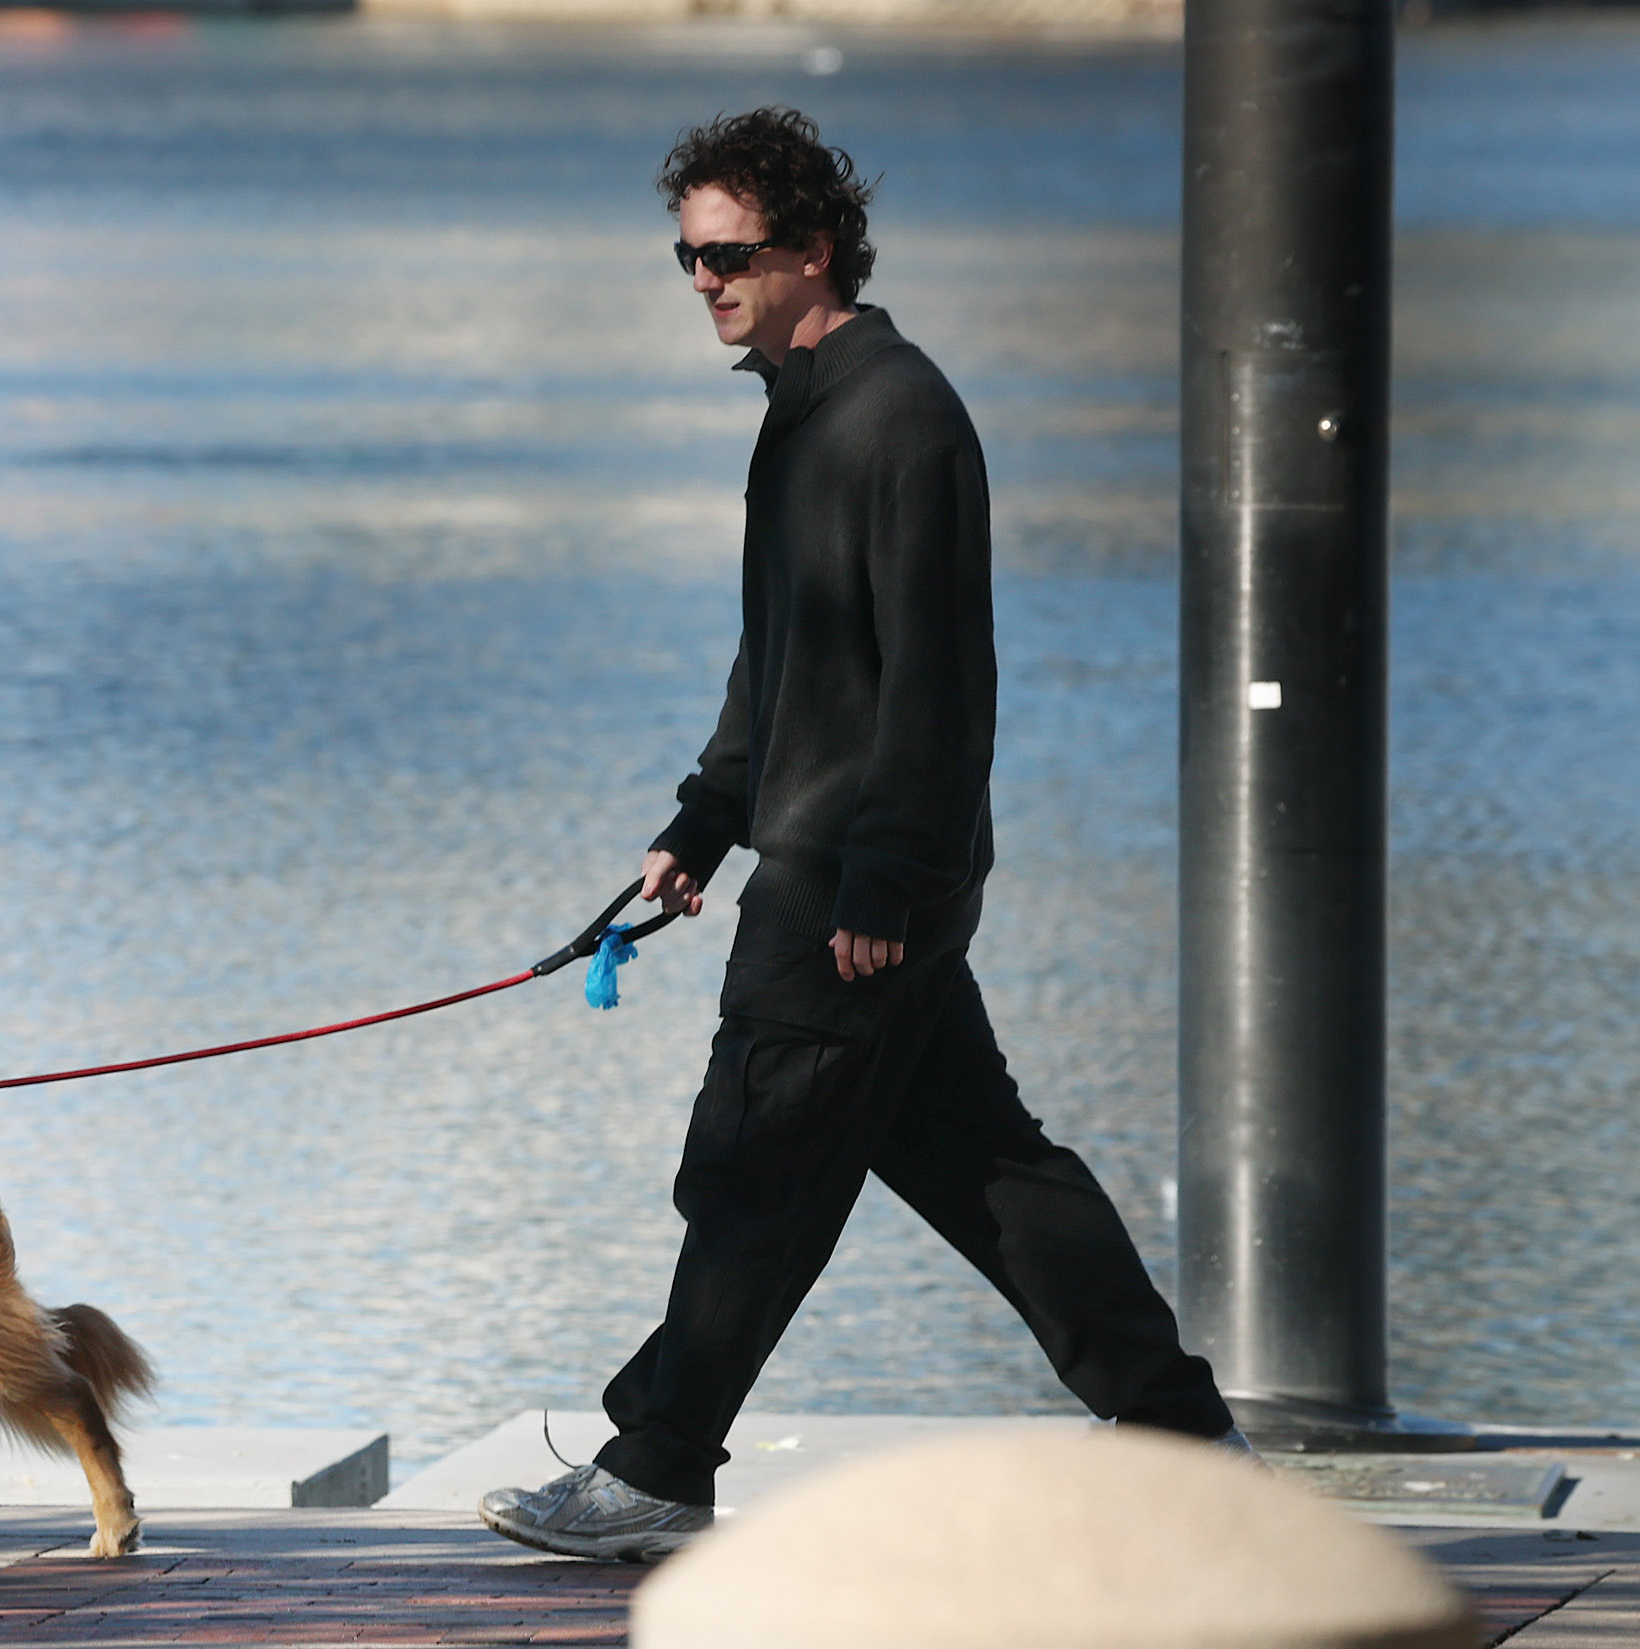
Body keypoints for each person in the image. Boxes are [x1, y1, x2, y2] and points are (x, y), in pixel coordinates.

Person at [479, 109, 1238, 1564]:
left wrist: (887, 875)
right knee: (992, 1176)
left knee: (756, 1169)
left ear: (810, 247)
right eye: (687, 257)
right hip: (831, 862)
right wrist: (701, 821)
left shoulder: (899, 419)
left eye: (730, 255)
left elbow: (939, 682)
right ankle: (1187, 1439)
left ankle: (656, 1466)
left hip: (850, 884)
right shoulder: (803, 410)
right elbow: (788, 658)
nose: (704, 281)